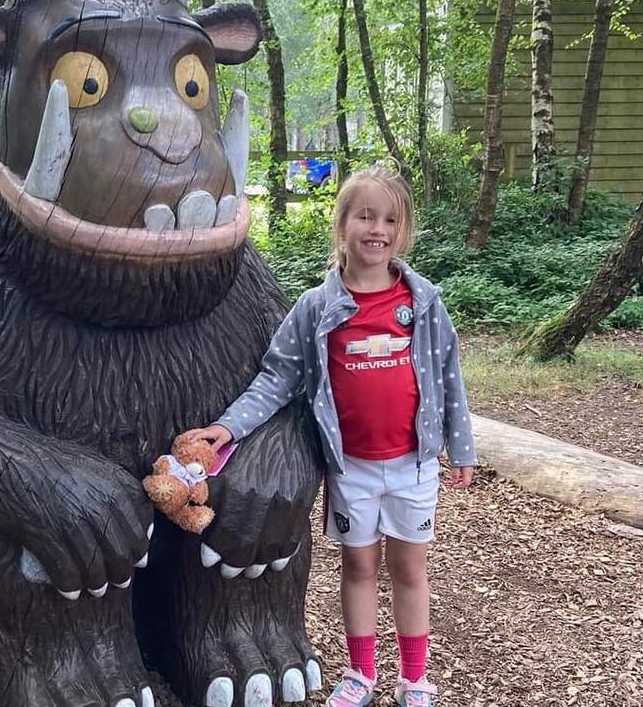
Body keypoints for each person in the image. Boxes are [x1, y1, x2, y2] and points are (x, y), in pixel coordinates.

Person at [182, 163, 477, 707]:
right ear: (342, 225)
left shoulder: (424, 302)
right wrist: (227, 426)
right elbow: (277, 377)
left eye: (390, 219)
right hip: (352, 469)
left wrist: (461, 447)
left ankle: (414, 678)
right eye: (365, 215)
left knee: (409, 569)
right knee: (359, 566)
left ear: (402, 230)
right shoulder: (317, 308)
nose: (377, 229)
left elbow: (448, 373)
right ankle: (361, 673)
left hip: (412, 466)